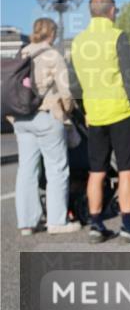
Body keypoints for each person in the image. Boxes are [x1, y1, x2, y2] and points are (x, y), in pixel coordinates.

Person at [68, 0, 130, 243]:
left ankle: (96, 225)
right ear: (111, 10)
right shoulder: (117, 36)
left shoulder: (78, 41)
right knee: (126, 170)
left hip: (95, 115)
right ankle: (127, 225)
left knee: (96, 172)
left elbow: (75, 84)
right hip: (120, 112)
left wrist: (85, 112)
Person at [10, 18, 79, 235]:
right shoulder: (53, 55)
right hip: (47, 115)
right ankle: (57, 222)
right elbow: (66, 91)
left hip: (22, 118)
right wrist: (67, 111)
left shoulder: (21, 54)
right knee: (56, 169)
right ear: (53, 33)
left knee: (27, 170)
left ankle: (27, 223)